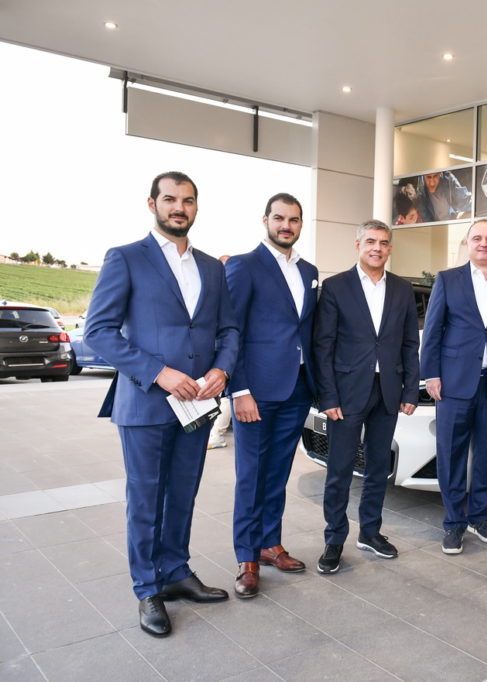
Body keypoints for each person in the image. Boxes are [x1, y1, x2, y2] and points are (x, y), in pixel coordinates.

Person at [85, 171, 239, 637]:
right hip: (146, 404)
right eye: (170, 199)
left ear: (196, 207)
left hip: (198, 407)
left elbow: (228, 329)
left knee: (183, 493)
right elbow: (98, 332)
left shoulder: (212, 267)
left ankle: (175, 571)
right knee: (146, 500)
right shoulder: (126, 258)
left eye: (187, 201)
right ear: (152, 204)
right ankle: (147, 588)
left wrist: (222, 370)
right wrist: (158, 372)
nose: (179, 207)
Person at [225, 193, 318, 598]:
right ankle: (246, 557)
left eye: (293, 220)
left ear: (301, 225)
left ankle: (269, 543)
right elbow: (231, 332)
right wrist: (239, 389)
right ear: (265, 220)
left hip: (297, 387)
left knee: (278, 472)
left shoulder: (309, 271)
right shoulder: (244, 266)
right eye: (279, 218)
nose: (286, 225)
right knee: (251, 475)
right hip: (256, 392)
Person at [313, 219, 420, 572]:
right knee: (340, 470)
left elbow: (409, 343)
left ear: (390, 249)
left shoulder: (402, 289)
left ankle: (370, 532)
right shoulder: (335, 287)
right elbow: (323, 345)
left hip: (387, 391)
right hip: (346, 394)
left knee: (377, 468)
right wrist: (328, 397)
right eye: (371, 241)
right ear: (358, 245)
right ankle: (334, 539)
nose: (377, 248)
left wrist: (410, 390)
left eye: (384, 243)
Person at [421, 219, 487, 554]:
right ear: (468, 244)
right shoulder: (447, 280)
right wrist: (431, 374)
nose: (484, 243)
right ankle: (453, 522)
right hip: (454, 383)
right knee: (451, 454)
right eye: (477, 238)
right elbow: (433, 330)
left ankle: (479, 517)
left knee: (486, 452)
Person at [207, 255, 234, 450]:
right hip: (219, 352)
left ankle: (215, 433)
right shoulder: (218, 289)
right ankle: (215, 434)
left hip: (225, 352)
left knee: (224, 396)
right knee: (224, 396)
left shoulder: (225, 288)